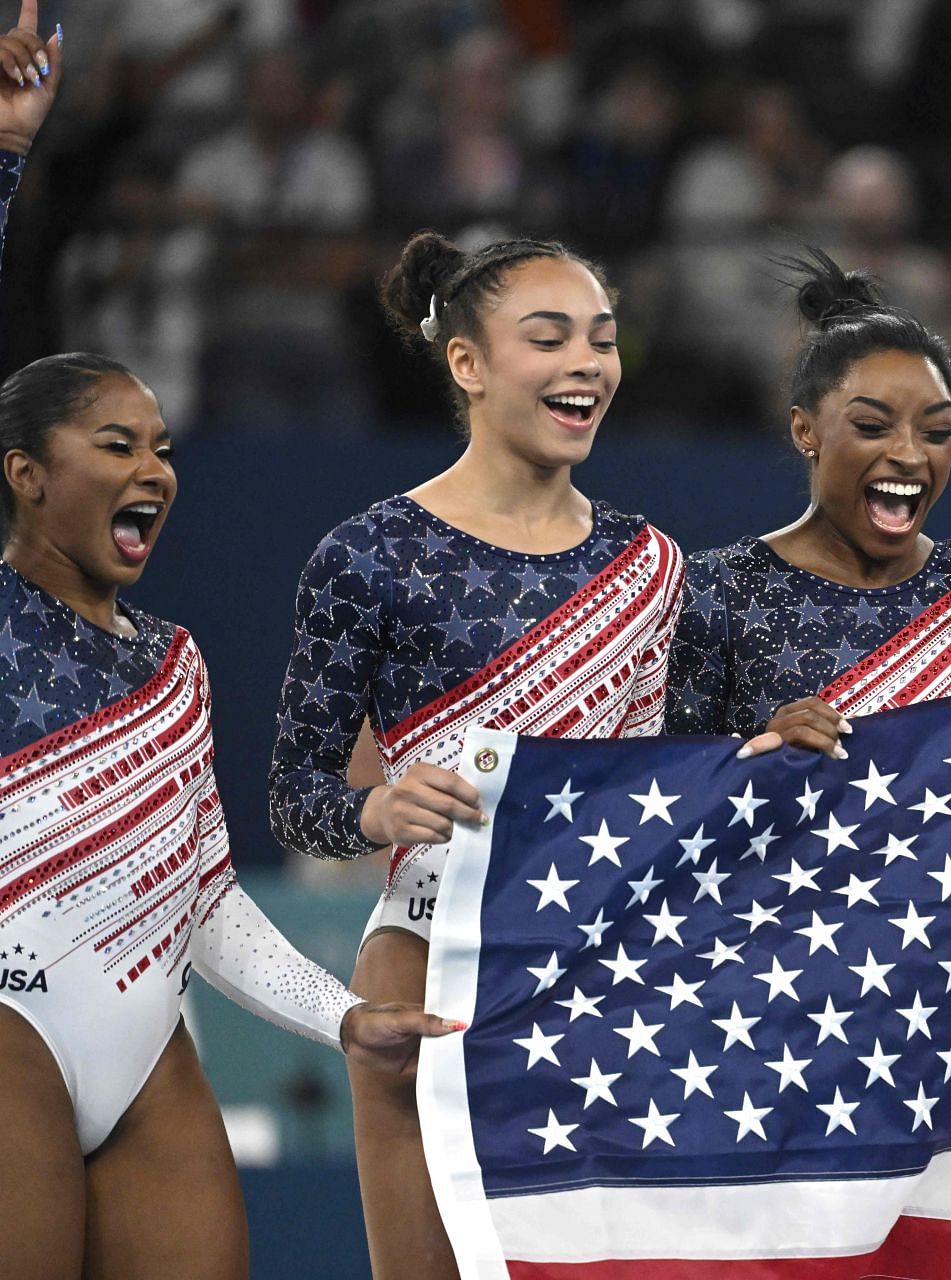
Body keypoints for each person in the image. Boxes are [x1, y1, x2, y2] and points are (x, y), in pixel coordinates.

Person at [0, 13, 455, 1276]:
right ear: (27, 476)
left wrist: (342, 1013)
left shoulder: (175, 662)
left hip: (148, 1045)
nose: (155, 467)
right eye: (115, 445)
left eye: (160, 445)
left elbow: (203, 895)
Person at [267, 230, 683, 1279]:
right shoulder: (369, 554)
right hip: (431, 966)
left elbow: (677, 783)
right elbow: (296, 794)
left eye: (602, 337)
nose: (587, 362)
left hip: (606, 975)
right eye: (548, 338)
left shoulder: (648, 564)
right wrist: (374, 810)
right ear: (468, 362)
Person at [667, 247, 951, 754]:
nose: (911, 454)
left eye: (937, 432)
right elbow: (658, 798)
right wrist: (757, 759)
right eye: (872, 427)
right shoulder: (714, 593)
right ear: (805, 430)